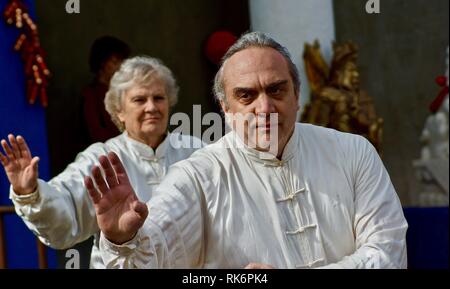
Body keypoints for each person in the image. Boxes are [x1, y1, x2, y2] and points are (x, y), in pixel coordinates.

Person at [86, 32, 408, 269]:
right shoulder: (199, 176)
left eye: (276, 89)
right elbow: (153, 253)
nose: (264, 106)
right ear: (225, 109)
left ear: (297, 95)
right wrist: (121, 241)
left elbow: (388, 253)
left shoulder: (353, 153)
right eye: (246, 95)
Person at [0, 56, 203, 268]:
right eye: (139, 100)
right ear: (119, 111)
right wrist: (30, 193)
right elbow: (63, 217)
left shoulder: (196, 152)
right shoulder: (102, 160)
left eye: (159, 98)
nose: (151, 107)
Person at [82, 36, 130, 144]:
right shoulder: (90, 95)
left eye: (122, 62)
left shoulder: (125, 92)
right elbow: (96, 134)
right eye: (115, 62)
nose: (120, 67)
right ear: (102, 63)